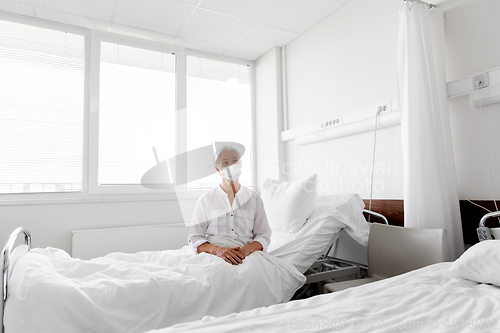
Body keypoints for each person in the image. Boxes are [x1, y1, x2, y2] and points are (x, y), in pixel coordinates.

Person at [187, 145, 271, 265]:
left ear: (241, 164)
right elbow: (194, 238)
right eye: (225, 163)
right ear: (218, 170)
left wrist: (244, 251)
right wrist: (218, 251)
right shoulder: (206, 200)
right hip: (214, 255)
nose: (231, 166)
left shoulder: (254, 198)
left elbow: (264, 235)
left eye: (235, 161)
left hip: (247, 255)